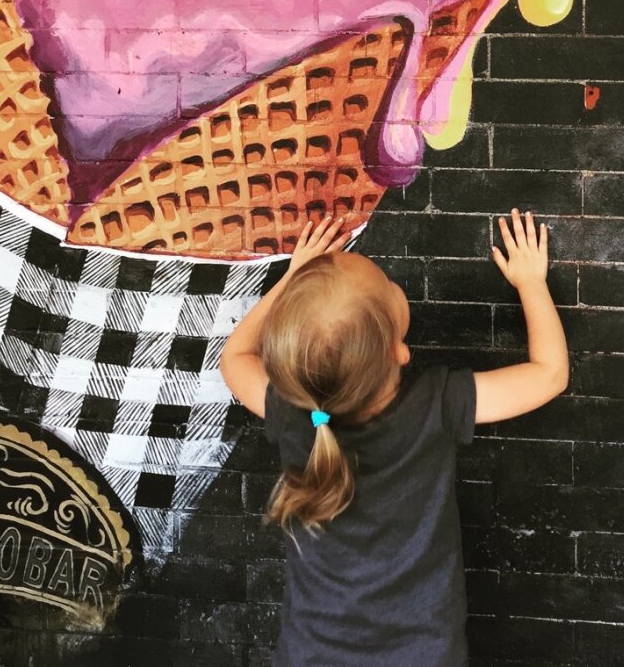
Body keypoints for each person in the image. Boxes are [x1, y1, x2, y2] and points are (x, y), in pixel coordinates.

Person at [219, 207, 570, 666]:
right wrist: (531, 283)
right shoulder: (436, 403)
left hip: (311, 655)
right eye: (389, 287)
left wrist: (293, 280)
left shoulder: (291, 413)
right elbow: (549, 376)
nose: (394, 284)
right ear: (398, 350)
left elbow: (235, 357)